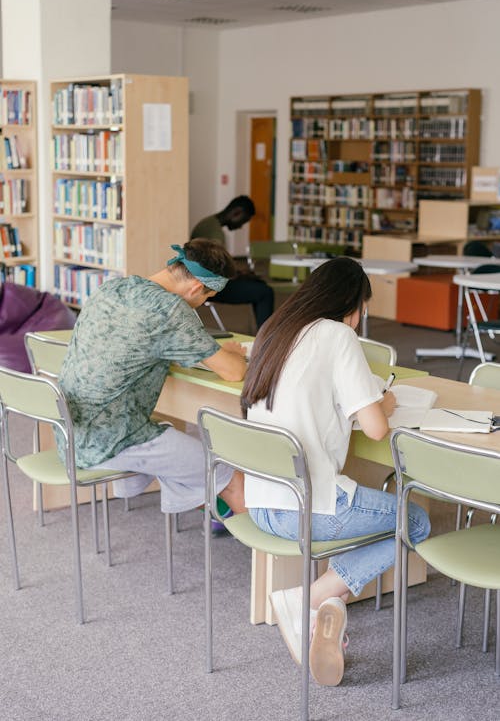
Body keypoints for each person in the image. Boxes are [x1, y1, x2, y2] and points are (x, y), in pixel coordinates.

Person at [240, 257, 430, 687]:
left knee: (369, 506)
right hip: (307, 508)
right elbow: (378, 429)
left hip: (264, 502)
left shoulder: (276, 329)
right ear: (354, 306)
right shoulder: (339, 335)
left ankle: (333, 602)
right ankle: (314, 596)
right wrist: (386, 401)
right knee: (413, 521)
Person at [58, 239, 248, 515]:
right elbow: (233, 372)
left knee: (176, 440)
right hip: (112, 441)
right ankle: (259, 544)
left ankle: (210, 501)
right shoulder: (170, 309)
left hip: (72, 432)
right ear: (196, 288)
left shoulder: (113, 287)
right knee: (230, 474)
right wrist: (233, 353)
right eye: (206, 298)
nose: (202, 304)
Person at [190, 195, 274, 329]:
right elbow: (217, 268)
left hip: (201, 281)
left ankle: (262, 332)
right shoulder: (215, 233)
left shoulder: (207, 223)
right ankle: (266, 338)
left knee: (257, 284)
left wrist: (238, 273)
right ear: (237, 213)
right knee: (265, 292)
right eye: (243, 221)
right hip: (210, 287)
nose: (240, 226)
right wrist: (238, 275)